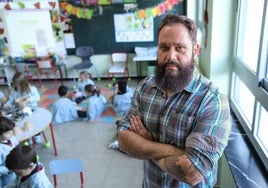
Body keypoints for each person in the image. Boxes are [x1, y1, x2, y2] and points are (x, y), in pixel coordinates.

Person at [117, 14, 231, 188]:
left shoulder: (212, 101)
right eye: (164, 47)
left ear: (195, 50)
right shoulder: (145, 87)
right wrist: (172, 151)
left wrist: (147, 144)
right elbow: (123, 140)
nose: (171, 56)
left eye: (180, 48)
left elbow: (193, 172)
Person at [4, 72, 41, 144]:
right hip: (20, 111)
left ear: (23, 84)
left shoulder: (32, 89)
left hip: (32, 109)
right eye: (15, 84)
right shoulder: (14, 90)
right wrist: (7, 104)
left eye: (18, 85)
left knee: (33, 122)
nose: (16, 86)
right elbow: (11, 100)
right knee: (21, 123)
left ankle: (37, 135)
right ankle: (28, 137)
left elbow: (38, 98)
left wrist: (29, 99)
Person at [0, 117, 19, 187]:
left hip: (18, 170)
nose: (11, 133)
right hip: (7, 178)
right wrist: (9, 170)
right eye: (8, 132)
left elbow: (17, 147)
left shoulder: (12, 138)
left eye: (11, 131)